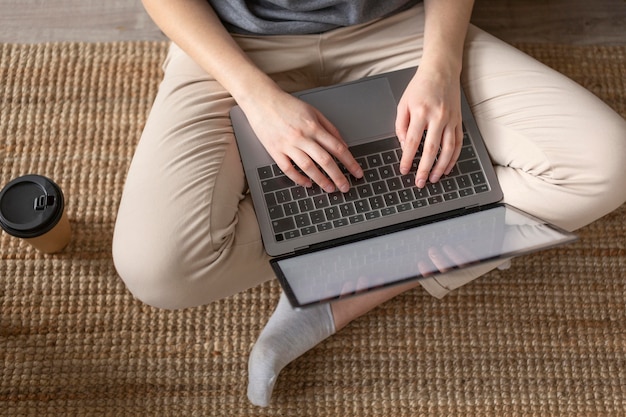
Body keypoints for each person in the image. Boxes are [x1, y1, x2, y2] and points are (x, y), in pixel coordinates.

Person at [112, 0, 626, 407]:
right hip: (236, 46)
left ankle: (330, 292)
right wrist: (256, 98)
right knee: (160, 269)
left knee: (606, 165)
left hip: (403, 26)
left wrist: (441, 68)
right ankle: (405, 237)